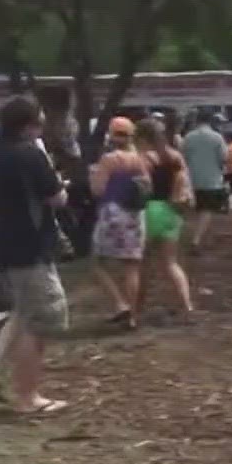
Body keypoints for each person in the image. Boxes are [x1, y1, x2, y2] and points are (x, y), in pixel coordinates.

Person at [0, 96, 71, 416]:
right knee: (44, 318)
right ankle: (27, 396)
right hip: (30, 245)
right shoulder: (30, 154)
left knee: (23, 310)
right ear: (29, 124)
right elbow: (56, 199)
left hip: (0, 243)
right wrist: (63, 185)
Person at [89, 117, 150, 328]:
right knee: (132, 266)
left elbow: (97, 190)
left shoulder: (109, 159)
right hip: (135, 214)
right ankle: (133, 316)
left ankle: (119, 303)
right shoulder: (140, 159)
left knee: (97, 262)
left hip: (112, 213)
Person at [134, 118, 194, 319]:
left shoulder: (144, 157)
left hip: (149, 210)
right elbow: (185, 183)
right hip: (172, 211)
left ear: (142, 137)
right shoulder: (175, 155)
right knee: (171, 263)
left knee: (142, 266)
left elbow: (142, 187)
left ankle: (136, 310)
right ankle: (187, 307)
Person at [181, 110, 229, 253]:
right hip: (212, 179)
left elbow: (182, 158)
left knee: (192, 210)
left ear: (196, 120)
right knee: (206, 210)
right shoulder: (217, 137)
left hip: (191, 179)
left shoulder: (188, 137)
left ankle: (191, 238)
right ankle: (196, 240)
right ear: (211, 121)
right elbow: (224, 158)